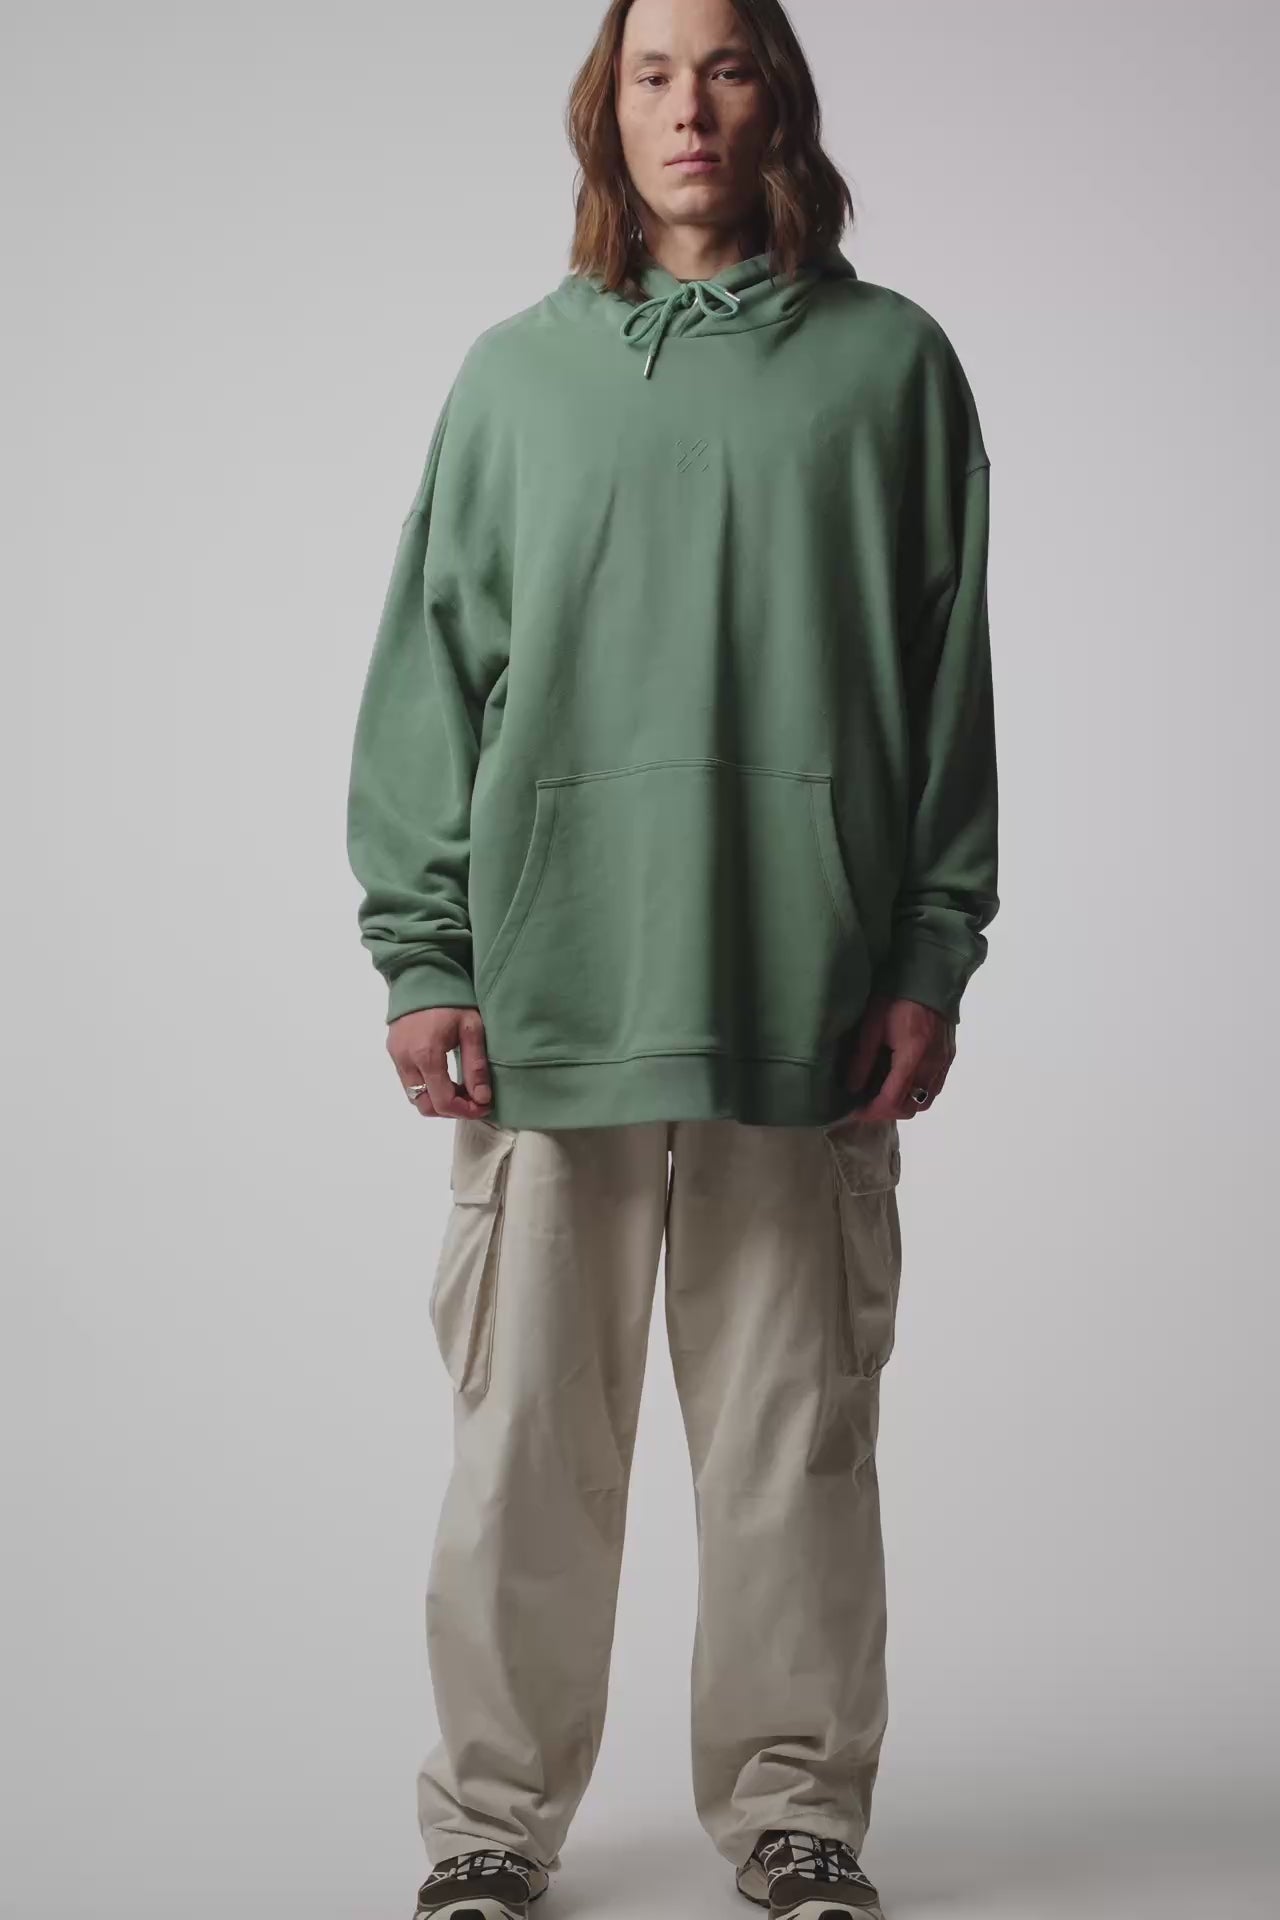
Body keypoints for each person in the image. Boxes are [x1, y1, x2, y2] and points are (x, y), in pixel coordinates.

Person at [345, 0, 999, 1915]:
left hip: (807, 995)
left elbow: (948, 682)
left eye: (723, 65)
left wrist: (930, 943)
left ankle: (798, 1814)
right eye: (651, 71)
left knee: (795, 1444)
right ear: (606, 111)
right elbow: (430, 676)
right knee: (525, 1446)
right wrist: (424, 952)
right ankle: (490, 1825)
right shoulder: (515, 380)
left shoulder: (892, 368)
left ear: (776, 96)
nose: (688, 106)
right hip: (554, 993)